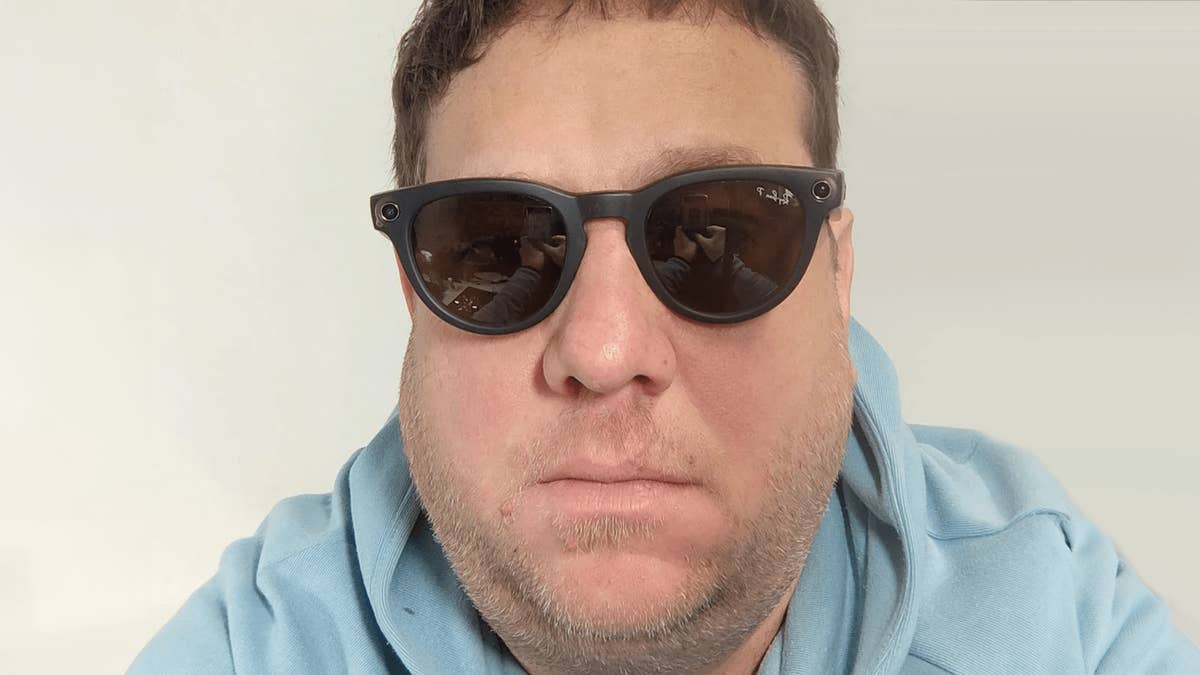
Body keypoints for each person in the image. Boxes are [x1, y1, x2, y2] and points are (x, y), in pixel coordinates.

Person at [130, 0, 1200, 672]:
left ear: (837, 276)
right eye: (499, 247)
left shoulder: (1052, 613)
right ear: (415, 293)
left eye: (715, 237)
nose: (604, 352)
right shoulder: (256, 645)